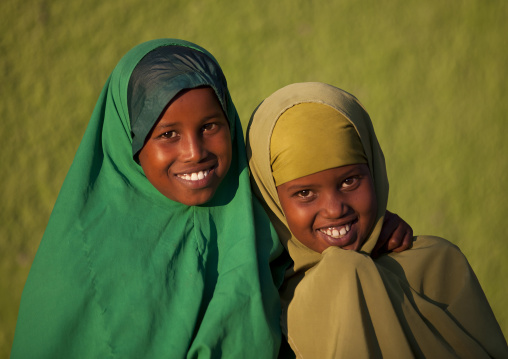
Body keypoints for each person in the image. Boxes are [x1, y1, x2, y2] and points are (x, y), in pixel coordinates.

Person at [11, 40, 411, 358]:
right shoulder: (78, 269)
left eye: (211, 126)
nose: (194, 151)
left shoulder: (249, 216)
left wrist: (373, 236)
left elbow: (313, 242)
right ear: (128, 142)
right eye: (167, 134)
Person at [247, 82, 508, 358]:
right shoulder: (257, 303)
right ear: (269, 200)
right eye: (305, 193)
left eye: (349, 181)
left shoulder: (438, 267)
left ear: (374, 170)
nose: (334, 210)